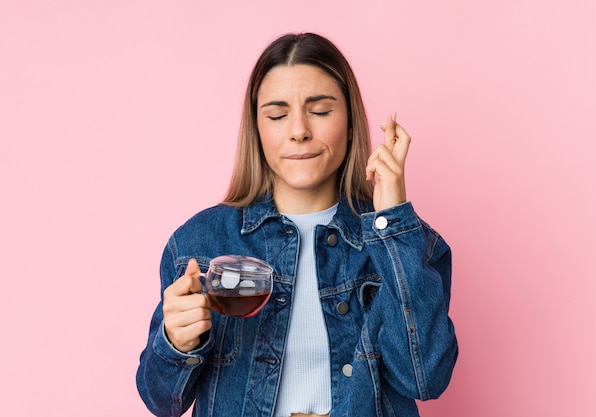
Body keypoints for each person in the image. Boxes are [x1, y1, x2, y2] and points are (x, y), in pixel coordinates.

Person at [136, 32, 457, 417]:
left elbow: (425, 379)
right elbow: (162, 401)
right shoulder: (199, 243)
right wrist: (176, 342)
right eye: (276, 114)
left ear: (352, 122)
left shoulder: (408, 243)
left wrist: (392, 221)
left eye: (320, 111)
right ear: (257, 130)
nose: (299, 129)